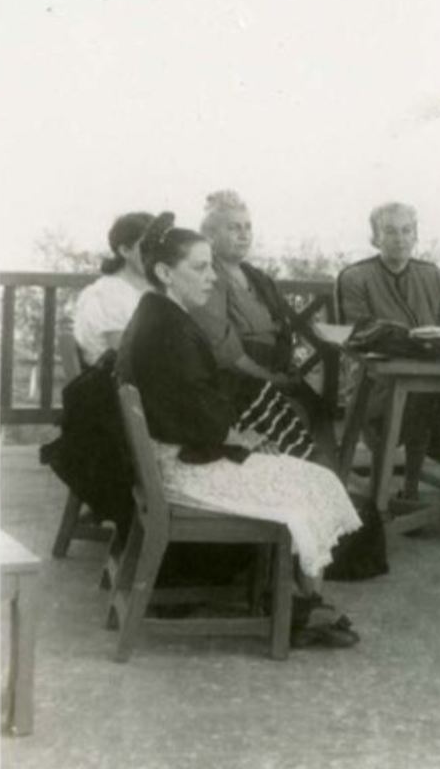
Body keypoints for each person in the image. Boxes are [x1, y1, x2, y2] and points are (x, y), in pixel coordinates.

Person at [116, 214, 362, 648]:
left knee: (303, 475)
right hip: (180, 472)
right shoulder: (170, 331)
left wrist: (232, 433)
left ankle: (301, 599)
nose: (212, 278)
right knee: (311, 481)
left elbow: (191, 406)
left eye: (211, 266)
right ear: (164, 273)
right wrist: (237, 437)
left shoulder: (159, 315)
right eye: (200, 268)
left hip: (166, 460)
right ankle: (302, 609)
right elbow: (201, 419)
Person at [335, 202, 440, 499]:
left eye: (407, 230)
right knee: (433, 396)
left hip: (429, 381)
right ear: (375, 238)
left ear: (416, 235)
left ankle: (420, 487)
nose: (400, 238)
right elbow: (360, 334)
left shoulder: (432, 275)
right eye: (390, 231)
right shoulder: (356, 277)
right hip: (376, 385)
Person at [191, 190, 316, 460]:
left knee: (319, 407)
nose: (244, 234)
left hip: (269, 374)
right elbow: (223, 352)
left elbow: (282, 328)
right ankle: (315, 485)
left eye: (248, 227)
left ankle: (328, 484)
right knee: (301, 415)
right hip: (236, 385)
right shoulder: (208, 279)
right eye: (233, 228)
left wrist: (285, 372)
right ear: (210, 236)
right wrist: (272, 379)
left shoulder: (255, 277)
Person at [73, 211, 155, 365]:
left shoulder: (149, 287)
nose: (156, 255)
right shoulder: (108, 294)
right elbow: (127, 356)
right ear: (125, 251)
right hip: (114, 382)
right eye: (147, 247)